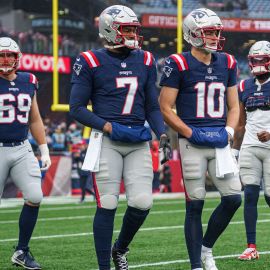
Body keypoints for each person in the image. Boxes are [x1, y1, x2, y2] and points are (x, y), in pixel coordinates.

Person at [69, 5, 171, 270]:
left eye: (134, 29)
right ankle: (104, 266)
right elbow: (77, 108)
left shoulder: (146, 59)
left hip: (138, 139)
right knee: (108, 204)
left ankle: (120, 248)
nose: (132, 34)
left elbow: (151, 105)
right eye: (126, 29)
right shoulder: (89, 60)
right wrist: (108, 127)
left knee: (142, 202)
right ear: (109, 29)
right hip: (107, 140)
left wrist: (161, 132)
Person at [159, 8, 242, 270]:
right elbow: (165, 106)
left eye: (217, 32)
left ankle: (206, 248)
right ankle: (196, 264)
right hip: (192, 139)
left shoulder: (227, 62)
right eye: (209, 32)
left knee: (233, 198)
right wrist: (188, 132)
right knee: (195, 203)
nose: (215, 37)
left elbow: (234, 106)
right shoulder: (178, 63)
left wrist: (229, 131)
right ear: (193, 34)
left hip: (218, 138)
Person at [0, 37, 51, 269]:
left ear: (17, 57)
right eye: (2, 55)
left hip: (21, 147)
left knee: (35, 196)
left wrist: (43, 147)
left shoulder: (29, 80)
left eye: (10, 55)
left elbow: (35, 118)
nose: (6, 59)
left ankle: (21, 250)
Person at [233, 40, 270, 261]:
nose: (258, 64)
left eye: (262, 60)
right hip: (249, 146)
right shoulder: (243, 86)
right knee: (250, 195)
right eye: (255, 60)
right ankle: (251, 246)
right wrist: (234, 151)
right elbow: (240, 123)